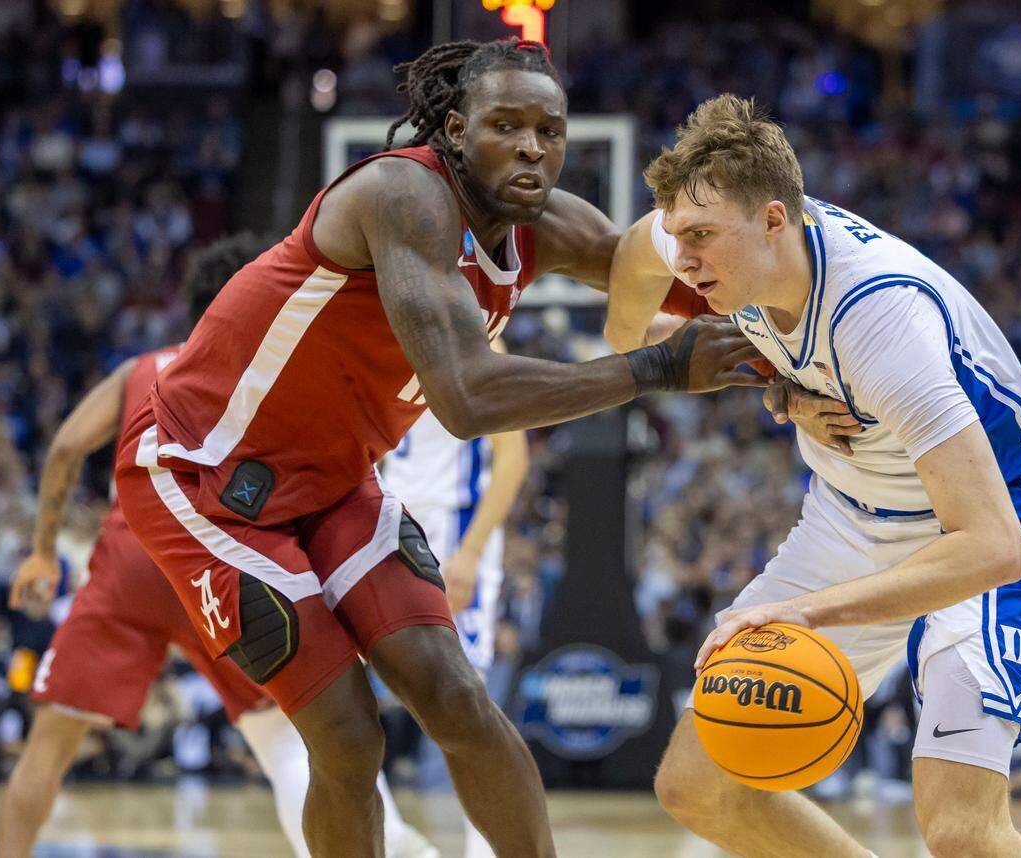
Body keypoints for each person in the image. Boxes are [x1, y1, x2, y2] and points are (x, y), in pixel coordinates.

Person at [111, 39, 770, 858]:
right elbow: (467, 398)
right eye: (506, 126)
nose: (533, 146)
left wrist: (786, 339)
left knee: (458, 699)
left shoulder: (549, 223)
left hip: (334, 481)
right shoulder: (402, 194)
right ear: (456, 132)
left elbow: (675, 279)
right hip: (204, 478)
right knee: (349, 737)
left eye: (549, 130)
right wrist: (660, 366)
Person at [607, 95, 1021, 857]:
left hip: (972, 529)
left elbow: (994, 547)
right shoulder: (721, 233)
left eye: (701, 239)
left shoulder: (882, 321)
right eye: (678, 234)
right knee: (696, 785)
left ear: (776, 220)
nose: (682, 258)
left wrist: (812, 615)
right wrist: (637, 365)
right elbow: (630, 257)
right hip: (850, 518)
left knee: (962, 834)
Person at [0, 235, 436, 858]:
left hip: (131, 561)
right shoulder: (273, 374)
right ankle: (391, 850)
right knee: (289, 744)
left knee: (48, 746)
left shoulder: (139, 369)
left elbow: (67, 447)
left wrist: (43, 550)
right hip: (218, 563)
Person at [381, 337, 529, 858]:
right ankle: (389, 840)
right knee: (336, 684)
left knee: (464, 697)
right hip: (380, 522)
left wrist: (470, 551)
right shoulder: (370, 323)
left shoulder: (478, 336)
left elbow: (513, 459)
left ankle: (484, 847)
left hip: (451, 529)